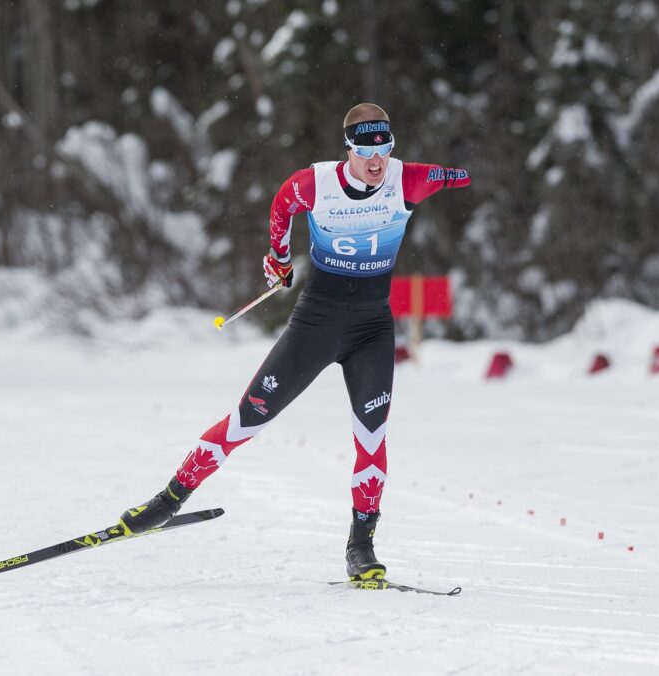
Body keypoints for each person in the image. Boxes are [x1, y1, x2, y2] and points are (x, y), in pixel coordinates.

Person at [119, 103, 471, 581]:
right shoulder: (314, 184)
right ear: (348, 148)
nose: (376, 161)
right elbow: (282, 205)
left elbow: (459, 176)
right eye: (366, 150)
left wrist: (463, 173)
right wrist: (279, 258)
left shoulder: (407, 180)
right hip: (315, 325)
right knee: (247, 419)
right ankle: (166, 502)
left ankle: (361, 546)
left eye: (384, 149)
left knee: (371, 438)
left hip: (372, 330)